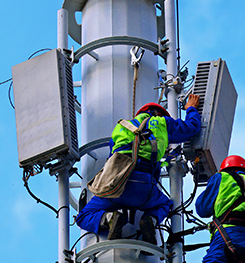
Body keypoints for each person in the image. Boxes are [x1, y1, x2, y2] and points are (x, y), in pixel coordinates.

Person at [76, 93, 201, 244]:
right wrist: (191, 109)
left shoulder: (121, 127)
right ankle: (150, 221)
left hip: (116, 187)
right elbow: (192, 128)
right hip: (144, 188)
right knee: (165, 204)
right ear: (159, 114)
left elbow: (112, 156)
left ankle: (109, 219)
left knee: (84, 216)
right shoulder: (162, 123)